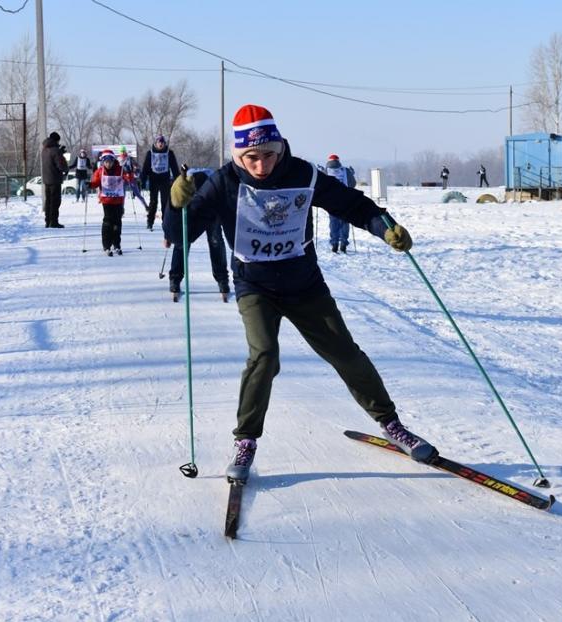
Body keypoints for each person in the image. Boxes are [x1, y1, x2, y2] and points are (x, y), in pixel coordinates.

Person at [169, 104, 436, 481]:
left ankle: (391, 424)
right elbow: (179, 233)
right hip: (254, 286)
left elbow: (351, 204)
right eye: (251, 158)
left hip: (304, 284)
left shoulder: (304, 174)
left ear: (280, 148)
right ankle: (246, 441)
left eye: (268, 156)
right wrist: (177, 204)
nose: (261, 166)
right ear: (238, 155)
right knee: (264, 354)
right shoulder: (224, 182)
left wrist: (383, 225)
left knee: (345, 353)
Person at [162, 169, 229, 300]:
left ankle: (222, 280)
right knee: (182, 240)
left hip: (211, 207)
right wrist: (167, 236)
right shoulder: (180, 190)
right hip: (190, 206)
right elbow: (171, 217)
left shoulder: (214, 189)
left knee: (215, 240)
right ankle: (175, 279)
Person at [88, 149, 134, 256]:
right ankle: (106, 245)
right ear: (103, 162)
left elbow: (128, 179)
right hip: (106, 200)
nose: (108, 164)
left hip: (118, 200)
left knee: (117, 222)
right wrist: (90, 185)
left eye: (110, 162)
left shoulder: (120, 169)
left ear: (113, 161)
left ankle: (117, 244)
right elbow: (95, 182)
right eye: (106, 162)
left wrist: (129, 173)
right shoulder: (100, 171)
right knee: (108, 221)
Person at [140, 135, 180, 230]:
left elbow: (174, 167)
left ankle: (165, 222)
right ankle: (150, 222)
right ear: (156, 143)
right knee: (153, 202)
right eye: (159, 142)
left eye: (162, 142)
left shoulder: (169, 153)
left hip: (165, 180)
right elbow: (145, 167)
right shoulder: (150, 153)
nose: (161, 144)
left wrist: (178, 180)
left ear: (164, 143)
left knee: (165, 202)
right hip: (154, 180)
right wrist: (143, 180)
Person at [321, 154, 356, 253]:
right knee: (345, 221)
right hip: (345, 200)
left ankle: (334, 243)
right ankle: (344, 243)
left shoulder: (325, 171)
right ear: (338, 161)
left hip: (331, 201)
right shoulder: (345, 171)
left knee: (333, 222)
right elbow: (352, 184)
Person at [41, 132, 68, 228]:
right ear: (56, 140)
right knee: (55, 201)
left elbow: (51, 159)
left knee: (48, 201)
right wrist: (66, 169)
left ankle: (47, 221)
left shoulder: (44, 149)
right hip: (55, 179)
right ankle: (54, 222)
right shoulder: (56, 151)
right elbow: (60, 164)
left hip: (46, 179)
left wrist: (59, 151)